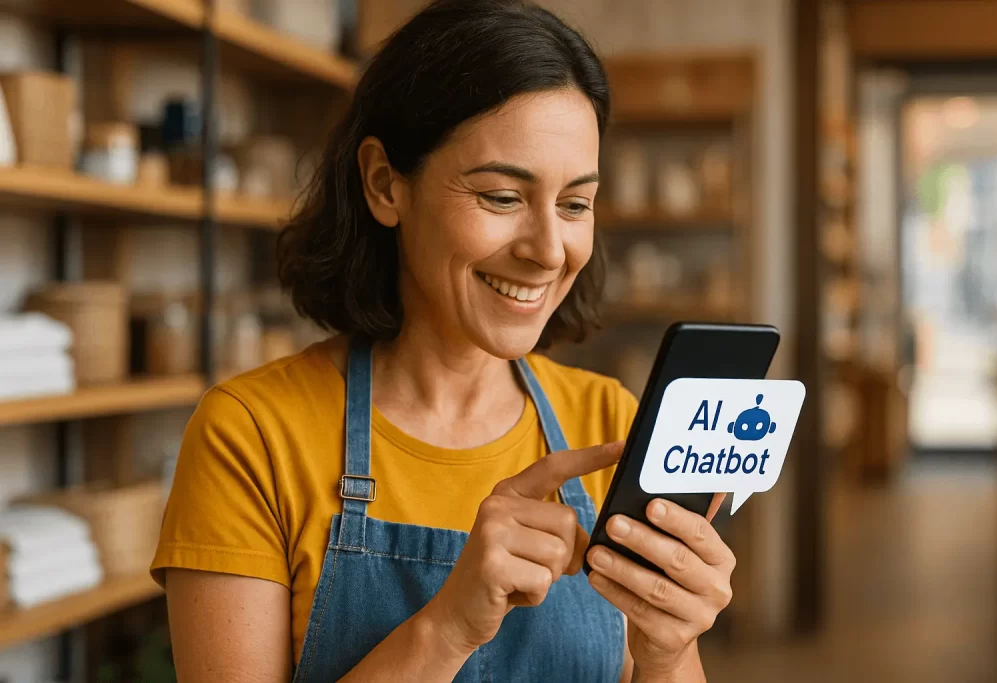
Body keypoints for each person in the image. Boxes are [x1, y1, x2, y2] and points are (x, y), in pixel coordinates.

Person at [151, 1, 736, 681]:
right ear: (384, 184)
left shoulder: (609, 425)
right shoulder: (251, 436)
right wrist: (449, 627)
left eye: (575, 204)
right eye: (502, 197)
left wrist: (668, 650)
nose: (550, 251)